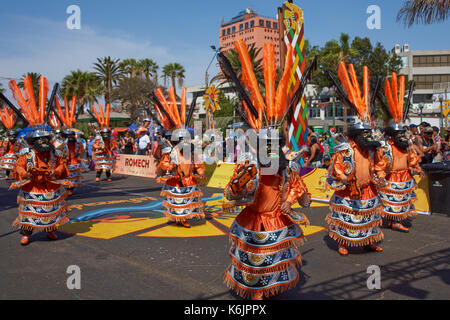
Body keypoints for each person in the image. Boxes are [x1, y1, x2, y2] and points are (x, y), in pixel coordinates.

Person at [221, 40, 311, 300]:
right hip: (254, 219)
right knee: (254, 257)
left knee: (272, 257)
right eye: (267, 145)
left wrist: (291, 199)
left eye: (275, 144)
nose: (272, 148)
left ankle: (269, 289)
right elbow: (231, 193)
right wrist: (242, 186)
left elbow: (297, 187)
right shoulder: (249, 162)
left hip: (276, 218)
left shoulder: (285, 161)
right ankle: (256, 291)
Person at [325, 62, 384, 256]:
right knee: (347, 218)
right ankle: (344, 243)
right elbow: (337, 168)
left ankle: (370, 241)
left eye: (369, 134)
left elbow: (379, 165)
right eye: (364, 135)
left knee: (368, 217)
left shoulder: (373, 150)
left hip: (368, 189)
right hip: (348, 191)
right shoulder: (345, 150)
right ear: (356, 136)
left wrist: (380, 173)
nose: (368, 138)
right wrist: (344, 178)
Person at [8, 75, 71, 245]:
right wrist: (26, 172)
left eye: (46, 139)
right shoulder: (27, 152)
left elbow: (61, 165)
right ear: (34, 141)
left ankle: (50, 231)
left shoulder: (53, 152)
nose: (44, 142)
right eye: (41, 140)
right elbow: (18, 167)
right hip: (32, 185)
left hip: (49, 185)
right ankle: (26, 234)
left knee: (50, 210)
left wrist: (55, 171)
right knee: (29, 211)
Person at [374, 72, 423, 233]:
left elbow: (412, 158)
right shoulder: (386, 147)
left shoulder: (406, 145)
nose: (403, 136)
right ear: (393, 137)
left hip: (404, 176)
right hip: (391, 176)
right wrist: (381, 176)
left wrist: (416, 167)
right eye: (400, 134)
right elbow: (379, 163)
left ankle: (396, 221)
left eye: (403, 133)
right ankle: (390, 221)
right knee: (389, 201)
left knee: (401, 201)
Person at [153, 86, 206, 228]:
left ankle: (184, 218)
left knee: (187, 202)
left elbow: (197, 163)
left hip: (188, 180)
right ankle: (180, 219)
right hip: (176, 181)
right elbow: (163, 164)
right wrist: (168, 166)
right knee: (177, 201)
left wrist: (200, 170)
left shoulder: (190, 151)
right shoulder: (171, 151)